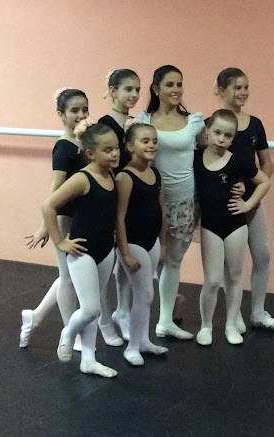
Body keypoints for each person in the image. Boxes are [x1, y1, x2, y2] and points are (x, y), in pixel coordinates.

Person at [42, 120, 120, 378]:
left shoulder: (110, 175)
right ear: (90, 153)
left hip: (105, 250)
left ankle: (89, 359)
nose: (115, 153)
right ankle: (68, 332)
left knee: (96, 306)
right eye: (107, 150)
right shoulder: (81, 179)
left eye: (116, 148)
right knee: (91, 309)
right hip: (81, 251)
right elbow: (48, 206)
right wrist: (59, 241)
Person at [214, 68, 274, 332]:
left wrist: (253, 194)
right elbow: (208, 164)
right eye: (237, 87)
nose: (243, 92)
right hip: (226, 205)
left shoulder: (255, 124)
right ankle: (234, 315)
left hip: (251, 202)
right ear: (221, 90)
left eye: (246, 87)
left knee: (263, 255)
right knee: (231, 265)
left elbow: (265, 163)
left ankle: (258, 312)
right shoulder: (213, 125)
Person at [138, 65, 204, 340]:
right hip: (152, 201)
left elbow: (209, 155)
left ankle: (164, 321)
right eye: (170, 85)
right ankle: (158, 312)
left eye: (179, 84)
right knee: (156, 260)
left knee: (173, 261)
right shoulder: (143, 121)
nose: (176, 90)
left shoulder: (194, 122)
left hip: (184, 201)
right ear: (156, 89)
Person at [20, 88, 89, 350]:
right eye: (74, 111)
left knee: (69, 276)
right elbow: (54, 189)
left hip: (79, 216)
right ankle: (71, 334)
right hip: (63, 218)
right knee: (69, 278)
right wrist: (45, 227)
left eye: (85, 109)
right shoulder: (63, 147)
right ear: (61, 115)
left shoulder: (82, 142)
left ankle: (35, 316)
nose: (81, 115)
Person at [194, 109, 270, 345]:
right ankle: (206, 326)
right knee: (212, 280)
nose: (221, 139)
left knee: (235, 277)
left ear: (233, 138)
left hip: (236, 226)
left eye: (227, 136)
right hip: (210, 227)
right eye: (217, 133)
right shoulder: (195, 158)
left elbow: (264, 181)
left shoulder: (238, 161)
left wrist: (248, 204)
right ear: (207, 131)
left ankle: (230, 324)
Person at [115, 119, 169, 365]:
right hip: (133, 242)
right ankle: (132, 347)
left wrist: (163, 243)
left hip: (152, 241)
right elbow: (119, 217)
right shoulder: (125, 177)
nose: (151, 145)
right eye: (145, 141)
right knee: (145, 293)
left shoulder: (155, 174)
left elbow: (162, 210)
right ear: (130, 146)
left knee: (146, 295)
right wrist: (125, 252)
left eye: (154, 141)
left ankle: (144, 340)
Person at [98, 69, 141, 342]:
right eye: (128, 89)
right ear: (113, 91)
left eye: (137, 90)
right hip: (110, 197)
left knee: (127, 258)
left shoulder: (136, 123)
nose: (134, 95)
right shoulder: (104, 124)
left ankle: (122, 311)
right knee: (107, 261)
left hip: (132, 198)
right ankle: (104, 318)